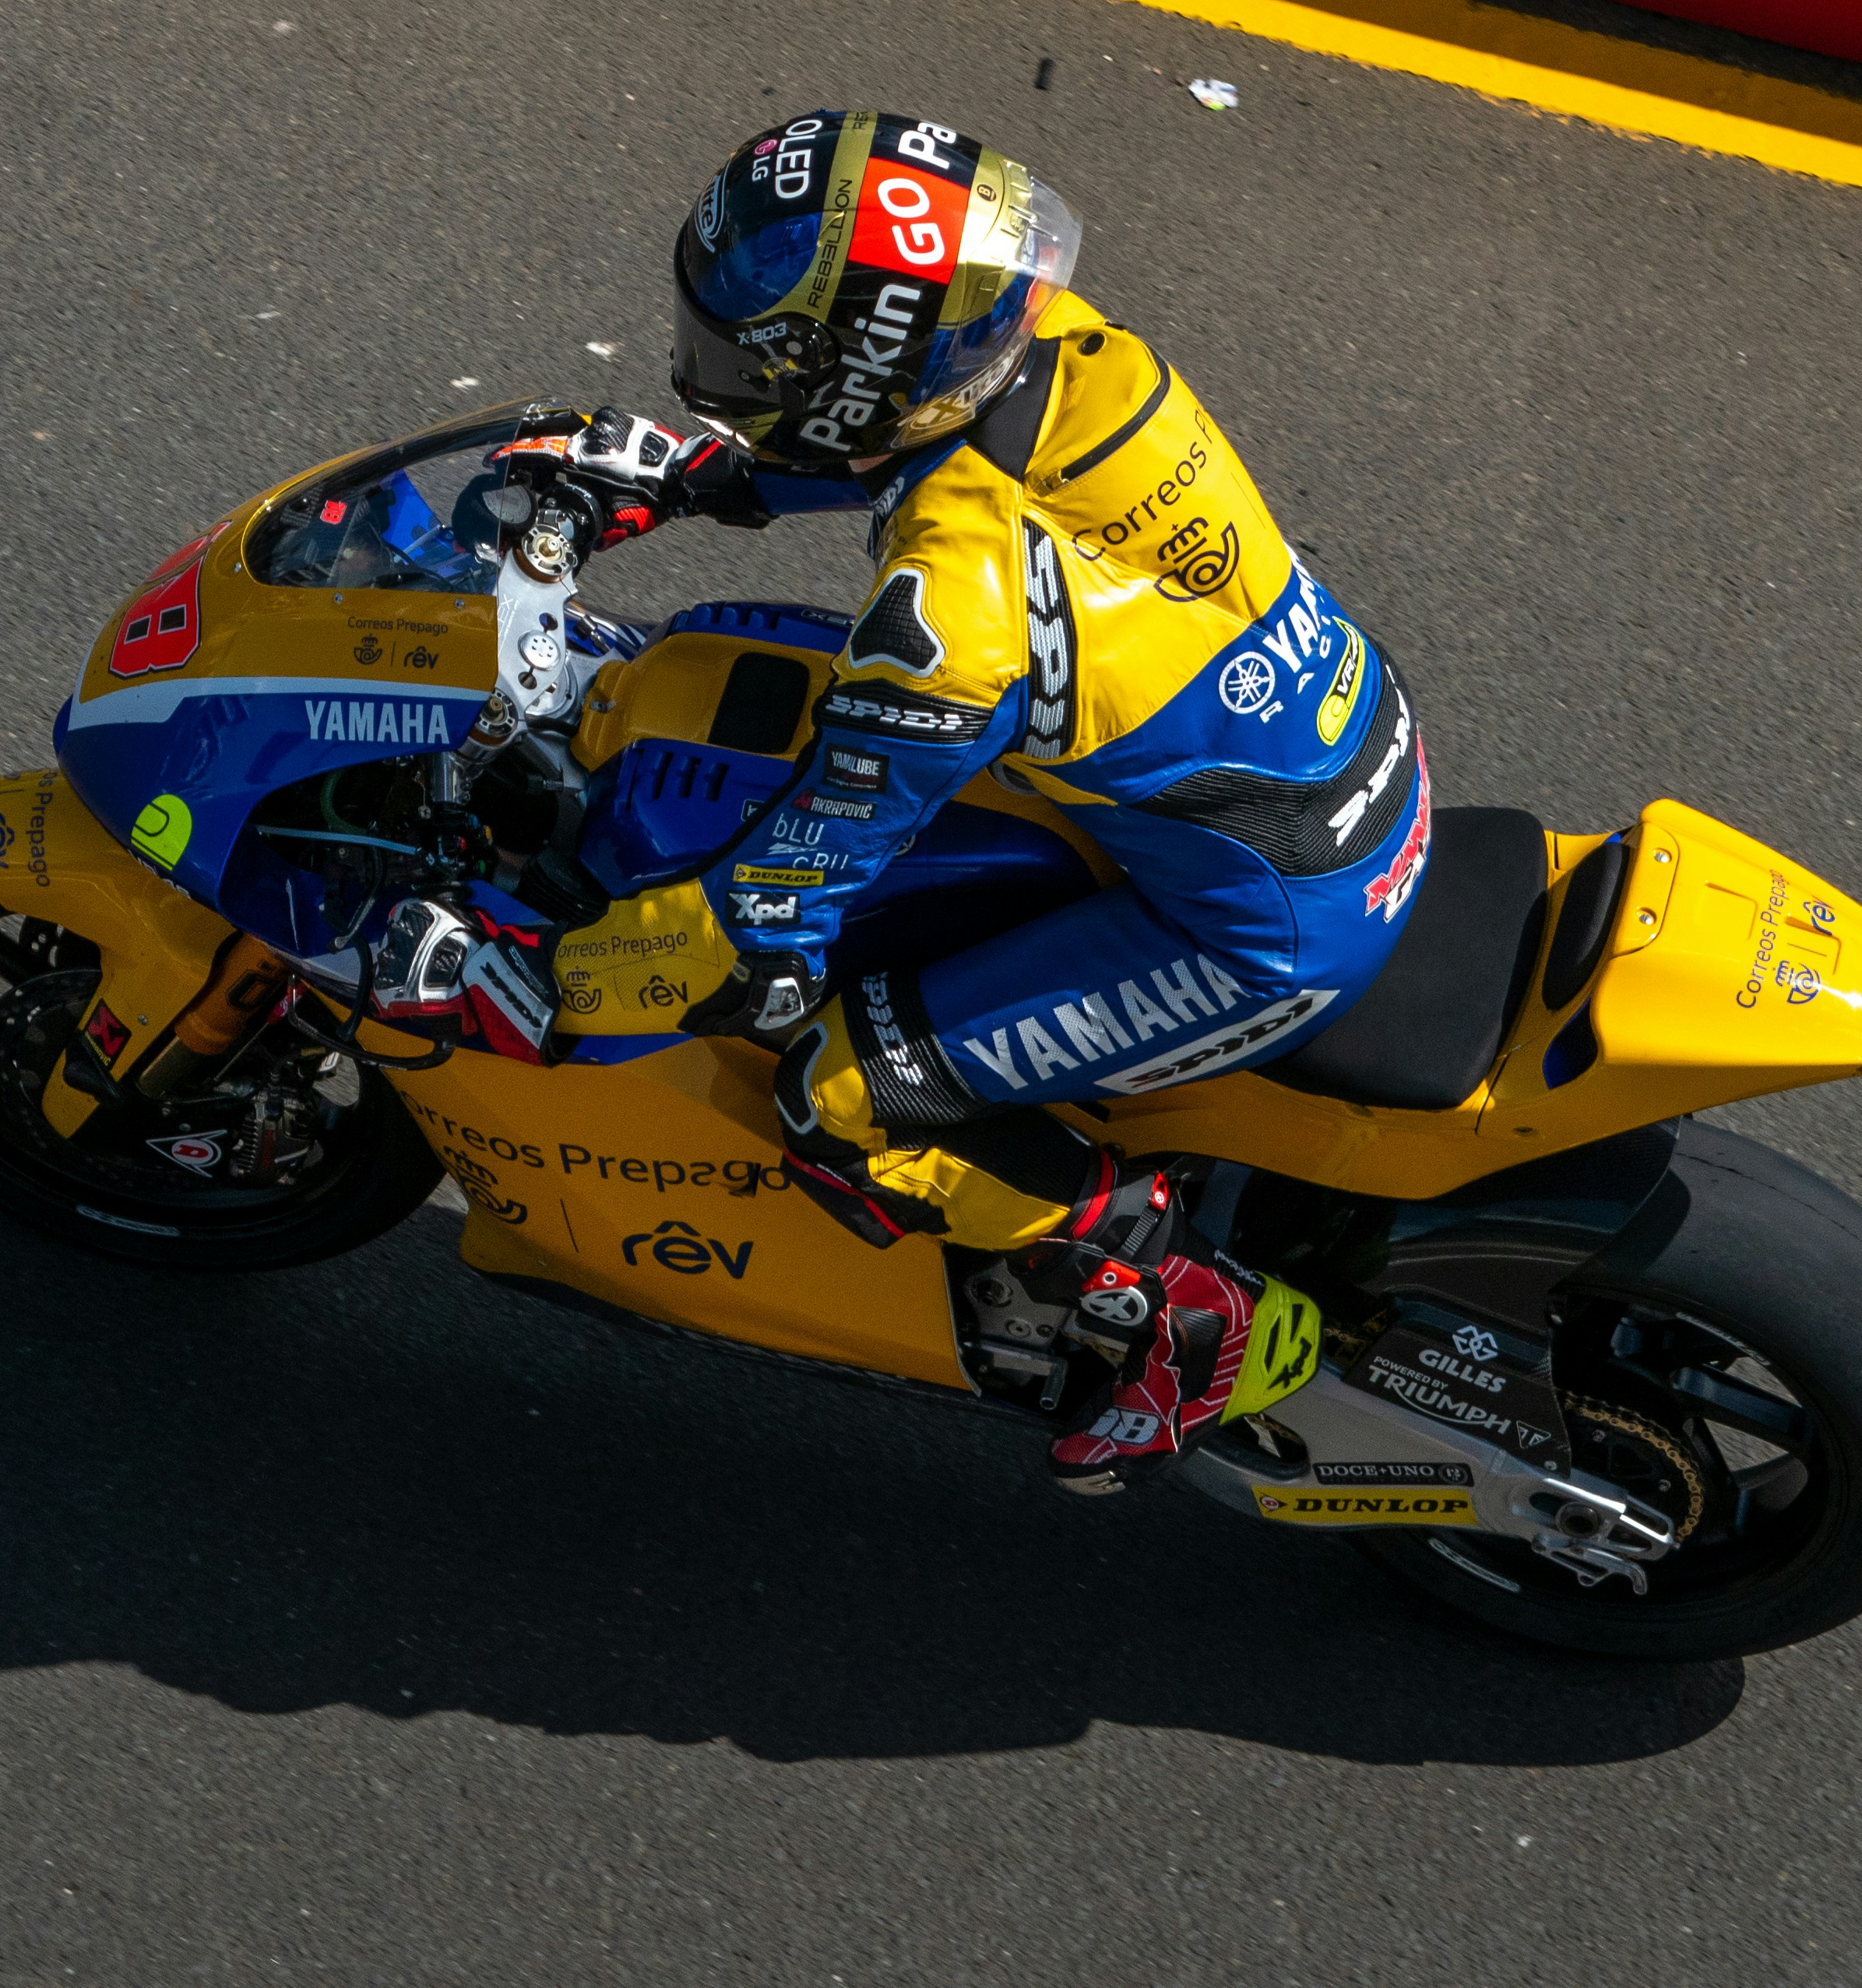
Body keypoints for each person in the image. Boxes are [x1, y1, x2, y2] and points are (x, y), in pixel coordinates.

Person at [597, 108, 1433, 1495]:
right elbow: (918, 448)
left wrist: (563, 964)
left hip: (1269, 925)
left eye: (755, 364)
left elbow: (779, 900)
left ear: (863, 380)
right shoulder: (1071, 348)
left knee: (841, 1086)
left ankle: (1183, 1301)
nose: (720, 377)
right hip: (1354, 755)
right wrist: (700, 478)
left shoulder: (950, 612)